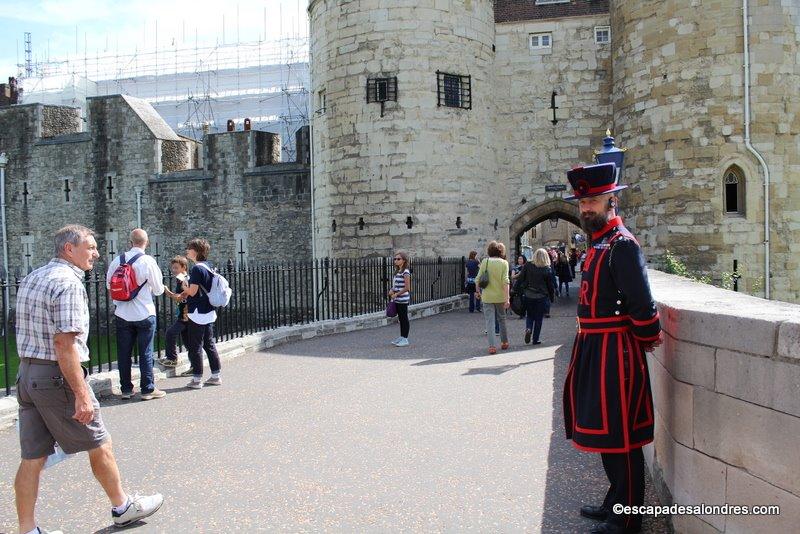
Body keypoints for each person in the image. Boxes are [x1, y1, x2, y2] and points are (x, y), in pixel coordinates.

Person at [14, 225, 163, 532]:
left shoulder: (33, 277)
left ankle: (27, 529)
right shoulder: (68, 283)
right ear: (69, 249)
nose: (96, 253)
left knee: (32, 457)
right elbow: (64, 343)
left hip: (28, 374)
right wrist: (81, 393)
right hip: (57, 376)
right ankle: (122, 507)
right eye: (91, 247)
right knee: (100, 442)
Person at [561, 163, 662, 534]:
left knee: (622, 441)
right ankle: (614, 503)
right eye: (582, 201)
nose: (586, 208)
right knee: (606, 437)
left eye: (593, 200)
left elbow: (643, 305)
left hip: (615, 354)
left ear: (612, 200)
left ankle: (628, 520)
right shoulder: (599, 242)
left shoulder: (622, 245)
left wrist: (644, 340)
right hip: (593, 348)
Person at [106, 229, 166, 401]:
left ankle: (126, 389)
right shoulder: (147, 261)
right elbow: (158, 289)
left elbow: (110, 286)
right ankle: (147, 389)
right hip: (144, 313)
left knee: (123, 352)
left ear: (130, 241)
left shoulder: (117, 260)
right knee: (145, 351)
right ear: (146, 242)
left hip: (122, 313)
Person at [178, 238, 223, 389]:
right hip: (209, 310)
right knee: (209, 344)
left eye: (189, 249)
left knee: (195, 345)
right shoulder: (208, 266)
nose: (187, 251)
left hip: (197, 312)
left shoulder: (197, 269)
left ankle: (197, 379)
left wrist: (184, 286)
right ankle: (215, 375)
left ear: (196, 251)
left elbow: (193, 291)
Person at [475, 241, 510, 354]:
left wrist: (478, 292)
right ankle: (504, 342)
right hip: (500, 296)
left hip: (487, 296)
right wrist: (507, 298)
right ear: (501, 251)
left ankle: (492, 346)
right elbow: (506, 282)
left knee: (489, 321)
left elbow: (478, 279)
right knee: (502, 319)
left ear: (489, 251)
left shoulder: (485, 262)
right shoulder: (504, 263)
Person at [518, 248, 555, 345]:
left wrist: (515, 290)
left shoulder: (528, 265)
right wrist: (552, 297)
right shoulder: (547, 269)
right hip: (541, 296)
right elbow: (550, 286)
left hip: (528, 294)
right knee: (539, 318)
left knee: (530, 315)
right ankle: (535, 339)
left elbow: (521, 278)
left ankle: (528, 328)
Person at [159, 256, 191, 367]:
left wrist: (167, 292)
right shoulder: (181, 279)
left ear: (184, 267)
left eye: (176, 267)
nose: (173, 270)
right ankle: (194, 366)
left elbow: (180, 297)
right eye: (173, 267)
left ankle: (172, 359)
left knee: (170, 333)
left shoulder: (185, 280)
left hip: (186, 316)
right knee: (188, 341)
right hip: (185, 314)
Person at [387, 251, 412, 346]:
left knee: (404, 318)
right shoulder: (398, 271)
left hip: (403, 299)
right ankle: (402, 337)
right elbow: (397, 285)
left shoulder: (406, 272)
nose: (396, 261)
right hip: (397, 299)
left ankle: (405, 339)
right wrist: (392, 290)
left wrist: (396, 294)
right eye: (395, 259)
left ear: (404, 260)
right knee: (401, 319)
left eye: (398, 259)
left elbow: (407, 288)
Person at [511, 255, 528, 319]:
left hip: (525, 286)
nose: (519, 260)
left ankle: (525, 312)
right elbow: (512, 276)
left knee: (525, 300)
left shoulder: (527, 267)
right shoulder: (515, 267)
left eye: (521, 259)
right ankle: (521, 313)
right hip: (518, 286)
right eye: (518, 259)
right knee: (520, 300)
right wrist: (519, 274)